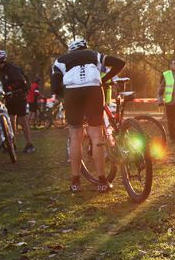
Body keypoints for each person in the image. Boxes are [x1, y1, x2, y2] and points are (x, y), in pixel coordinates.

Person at [51, 38, 125, 192]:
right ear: (85, 47)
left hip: (72, 92)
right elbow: (120, 63)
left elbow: (55, 86)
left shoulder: (60, 60)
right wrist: (103, 79)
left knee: (75, 137)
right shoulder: (93, 55)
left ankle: (75, 182)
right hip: (93, 90)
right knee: (96, 135)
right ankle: (102, 181)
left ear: (71, 50)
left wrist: (67, 96)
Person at [0, 50, 35, 153]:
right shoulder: (2, 71)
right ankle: (12, 144)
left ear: (2, 60)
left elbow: (22, 82)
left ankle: (29, 144)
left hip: (19, 96)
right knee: (11, 120)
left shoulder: (12, 68)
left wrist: (11, 87)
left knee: (22, 120)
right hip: (10, 97)